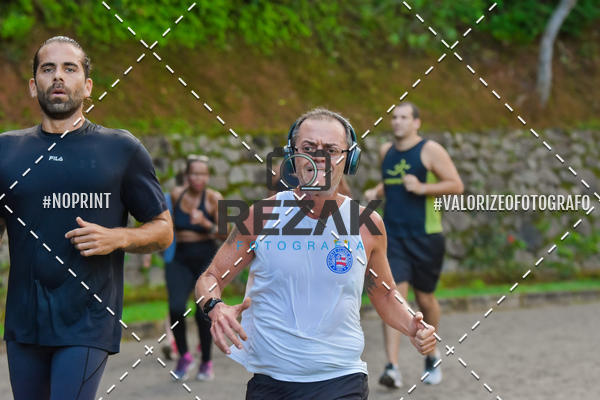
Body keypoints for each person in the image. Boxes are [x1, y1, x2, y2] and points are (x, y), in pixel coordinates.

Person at [195, 108, 437, 399]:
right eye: (309, 148)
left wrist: (412, 325)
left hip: (341, 380)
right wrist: (215, 306)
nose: (319, 158)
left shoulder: (366, 224)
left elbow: (385, 294)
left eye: (331, 150)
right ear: (292, 156)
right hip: (271, 383)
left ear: (349, 159)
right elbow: (211, 277)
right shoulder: (261, 217)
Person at [0, 36, 173, 399]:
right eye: (48, 69)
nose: (58, 77)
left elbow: (163, 230)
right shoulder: (6, 150)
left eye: (69, 68)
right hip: (24, 321)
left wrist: (119, 237)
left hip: (88, 320)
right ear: (33, 85)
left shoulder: (120, 149)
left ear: (88, 85)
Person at [364, 102, 463, 387]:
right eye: (394, 117)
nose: (397, 122)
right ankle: (392, 367)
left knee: (425, 300)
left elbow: (456, 185)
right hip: (392, 236)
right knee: (393, 296)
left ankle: (431, 355)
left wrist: (422, 188)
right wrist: (377, 190)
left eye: (404, 117)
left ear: (417, 122)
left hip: (426, 236)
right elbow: (391, 181)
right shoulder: (386, 151)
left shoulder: (430, 150)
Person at [169, 154, 224, 381]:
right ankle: (184, 356)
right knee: (175, 308)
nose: (198, 178)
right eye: (194, 173)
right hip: (180, 257)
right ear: (187, 175)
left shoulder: (214, 198)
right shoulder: (176, 195)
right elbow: (167, 225)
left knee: (203, 311)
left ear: (208, 176)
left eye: (202, 174)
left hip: (205, 256)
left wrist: (205, 223)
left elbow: (224, 234)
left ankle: (206, 362)